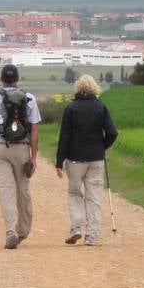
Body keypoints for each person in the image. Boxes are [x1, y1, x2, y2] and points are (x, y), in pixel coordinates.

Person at [55, 74, 119, 246]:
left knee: (75, 193)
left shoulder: (71, 108)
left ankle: (76, 228)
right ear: (94, 88)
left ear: (78, 88)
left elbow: (65, 136)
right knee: (94, 197)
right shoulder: (101, 108)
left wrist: (59, 162)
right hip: (96, 159)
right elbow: (112, 132)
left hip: (75, 159)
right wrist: (102, 147)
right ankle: (91, 235)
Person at [0, 64, 41, 249]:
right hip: (22, 148)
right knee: (23, 190)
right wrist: (33, 156)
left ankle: (11, 232)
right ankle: (22, 231)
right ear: (17, 79)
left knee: (6, 192)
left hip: (0, 147)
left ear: (2, 79)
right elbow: (34, 129)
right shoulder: (29, 98)